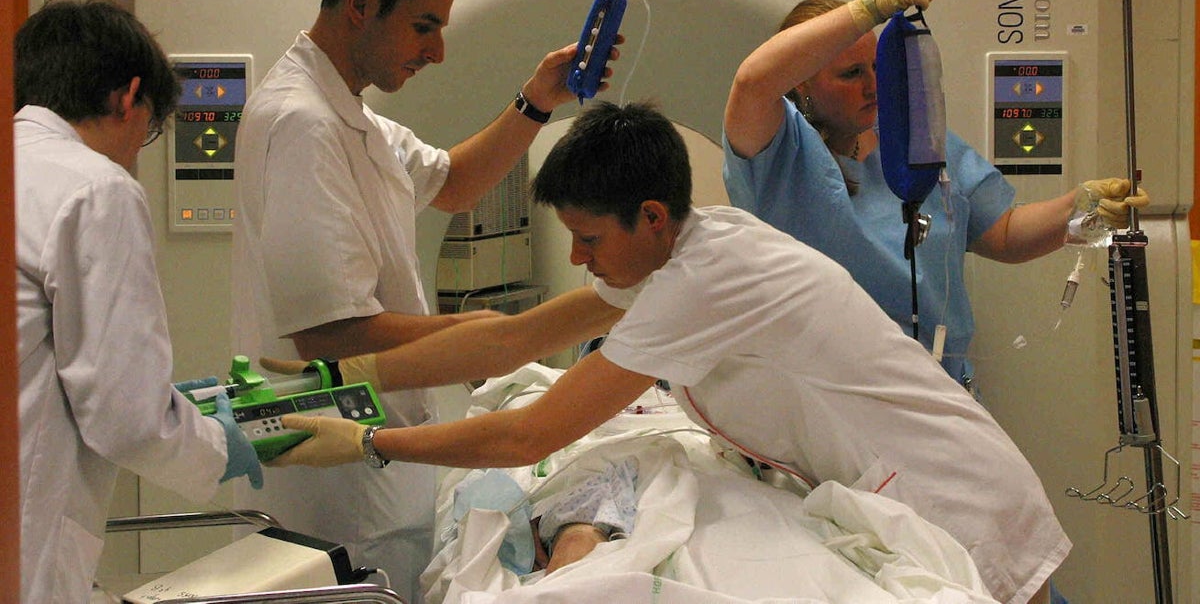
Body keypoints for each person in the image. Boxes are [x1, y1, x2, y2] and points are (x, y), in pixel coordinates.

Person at [265, 101, 1070, 604]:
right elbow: (516, 338)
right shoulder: (687, 247)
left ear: (651, 216)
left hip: (955, 499)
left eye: (587, 239)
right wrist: (344, 372)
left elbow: (528, 436)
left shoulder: (701, 280)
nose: (578, 259)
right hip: (898, 485)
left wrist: (368, 443)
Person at [230, 0, 616, 601]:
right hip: (336, 493)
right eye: (425, 26)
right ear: (360, 4)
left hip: (380, 472)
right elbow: (329, 337)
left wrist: (538, 99)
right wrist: (492, 336)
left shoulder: (353, 117)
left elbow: (456, 183)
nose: (437, 52)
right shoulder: (303, 124)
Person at [722, 0, 1148, 387]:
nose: (873, 85)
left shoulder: (913, 136)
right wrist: (871, 7)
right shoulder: (777, 153)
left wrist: (1083, 208)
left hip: (940, 385)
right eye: (851, 73)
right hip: (831, 396)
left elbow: (1002, 233)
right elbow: (752, 82)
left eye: (876, 67)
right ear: (801, 83)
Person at [15, 0, 262, 604]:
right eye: (151, 131)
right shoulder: (95, 188)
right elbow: (127, 418)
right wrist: (216, 445)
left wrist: (173, 405)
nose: (136, 152)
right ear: (127, 98)